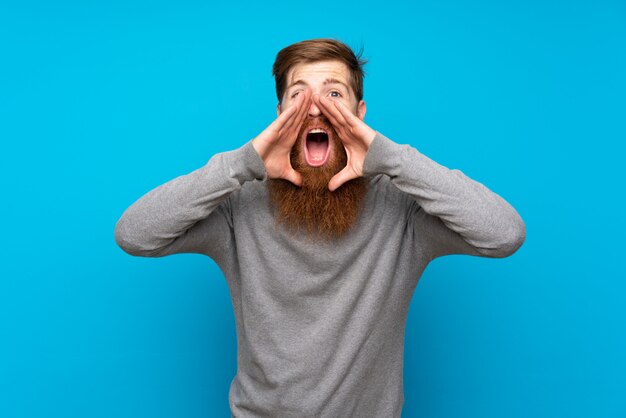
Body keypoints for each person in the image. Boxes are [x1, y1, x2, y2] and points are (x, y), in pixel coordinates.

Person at [114, 38, 526, 417]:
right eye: (299, 96)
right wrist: (243, 164)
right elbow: (134, 233)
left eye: (334, 94)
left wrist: (392, 159)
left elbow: (504, 233)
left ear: (360, 113)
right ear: (279, 116)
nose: (316, 108)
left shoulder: (402, 209)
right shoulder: (239, 205)